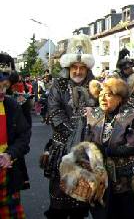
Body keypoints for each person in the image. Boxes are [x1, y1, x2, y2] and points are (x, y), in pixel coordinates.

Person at [44, 35, 97, 219]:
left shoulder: (95, 87)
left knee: (80, 200)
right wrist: (73, 136)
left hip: (86, 151)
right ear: (68, 68)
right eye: (74, 67)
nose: (77, 71)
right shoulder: (58, 84)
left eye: (82, 68)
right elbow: (54, 113)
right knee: (59, 198)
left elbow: (102, 112)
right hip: (62, 148)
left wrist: (94, 115)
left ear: (87, 69)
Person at [86, 77, 134, 219]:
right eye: (101, 94)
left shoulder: (133, 115)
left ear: (120, 98)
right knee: (103, 213)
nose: (103, 98)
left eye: (108, 95)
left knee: (128, 212)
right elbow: (84, 142)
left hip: (126, 178)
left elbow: (133, 145)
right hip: (101, 178)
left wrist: (103, 151)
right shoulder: (92, 115)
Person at [0, 53, 31, 218]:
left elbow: (24, 136)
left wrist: (10, 154)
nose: (2, 92)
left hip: (6, 172)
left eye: (5, 87)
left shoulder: (11, 105)